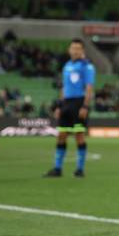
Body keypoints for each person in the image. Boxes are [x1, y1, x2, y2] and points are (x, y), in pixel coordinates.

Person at [44, 39, 95, 177]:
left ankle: (79, 169)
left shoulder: (87, 66)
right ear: (69, 50)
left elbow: (89, 87)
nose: (75, 50)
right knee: (61, 135)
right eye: (73, 48)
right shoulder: (66, 66)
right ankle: (57, 169)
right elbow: (64, 87)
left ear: (82, 50)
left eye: (78, 48)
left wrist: (85, 105)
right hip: (66, 103)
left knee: (79, 135)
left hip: (79, 103)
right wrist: (59, 106)